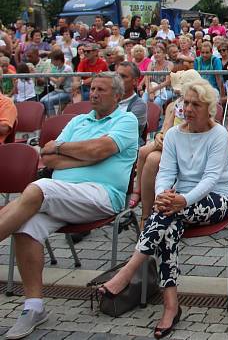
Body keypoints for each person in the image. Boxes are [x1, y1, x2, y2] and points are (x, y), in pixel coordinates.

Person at [0, 74, 138, 340]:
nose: (94, 93)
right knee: (27, 226)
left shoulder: (126, 120)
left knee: (39, 188)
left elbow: (99, 149)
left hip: (101, 196)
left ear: (117, 96)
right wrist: (86, 157)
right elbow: (48, 157)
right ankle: (33, 307)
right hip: (60, 198)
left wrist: (66, 148)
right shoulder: (78, 120)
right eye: (92, 89)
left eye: (101, 90)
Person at [98, 79, 228, 338]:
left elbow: (211, 179)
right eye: (186, 103)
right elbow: (165, 172)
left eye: (196, 104)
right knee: (167, 230)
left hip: (218, 198)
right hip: (177, 202)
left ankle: (128, 270)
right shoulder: (173, 134)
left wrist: (181, 200)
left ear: (209, 109)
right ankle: (170, 306)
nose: (189, 108)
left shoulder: (218, 134)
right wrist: (162, 195)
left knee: (165, 215)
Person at [129, 69, 202, 218]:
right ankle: (141, 198)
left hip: (188, 147)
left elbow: (199, 134)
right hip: (171, 141)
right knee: (144, 152)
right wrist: (160, 136)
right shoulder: (175, 105)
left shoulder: (202, 107)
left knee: (152, 159)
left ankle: (148, 207)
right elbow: (166, 126)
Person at [115, 62, 148, 143]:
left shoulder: (139, 105)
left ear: (135, 81)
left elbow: (122, 132)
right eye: (116, 76)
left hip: (126, 147)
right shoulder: (107, 100)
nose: (117, 80)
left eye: (123, 76)